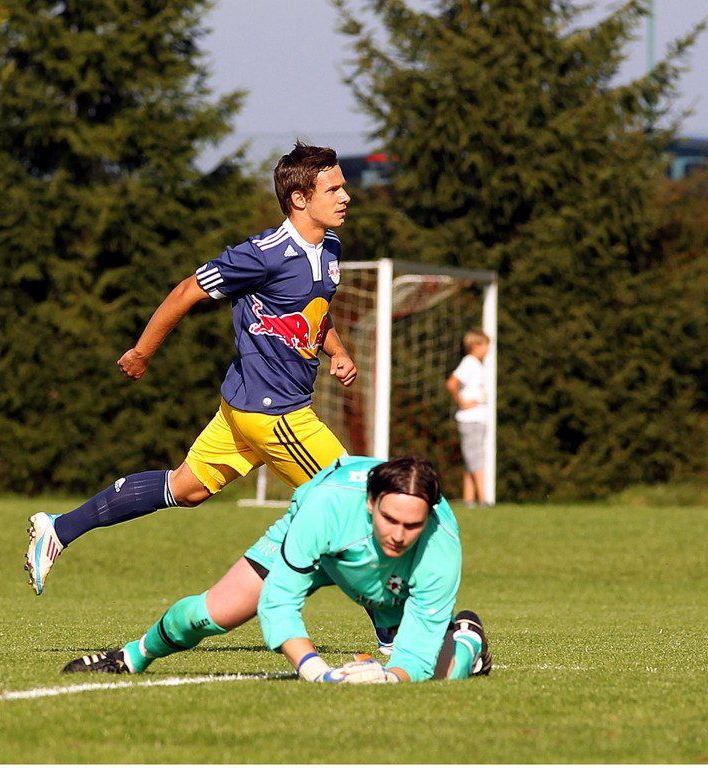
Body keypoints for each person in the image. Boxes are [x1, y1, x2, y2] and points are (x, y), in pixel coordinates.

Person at [25, 142, 357, 596]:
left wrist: (336, 350)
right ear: (299, 199)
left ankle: (59, 529)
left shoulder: (330, 246)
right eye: (333, 189)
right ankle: (394, 631)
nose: (345, 197)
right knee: (350, 502)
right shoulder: (263, 254)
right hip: (276, 412)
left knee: (186, 489)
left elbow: (312, 310)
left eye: (343, 187)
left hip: (241, 405)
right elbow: (187, 291)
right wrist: (142, 352)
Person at [61, 456, 492, 684]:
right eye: (389, 519)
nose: (399, 534)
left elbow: (415, 654)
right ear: (369, 503)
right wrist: (316, 671)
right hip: (313, 539)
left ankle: (468, 639)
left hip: (383, 575)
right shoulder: (326, 508)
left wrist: (390, 679)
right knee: (206, 615)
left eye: (412, 525)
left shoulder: (440, 545)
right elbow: (280, 600)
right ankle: (131, 657)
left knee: (439, 673)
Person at [445, 329, 491, 507]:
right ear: (475, 345)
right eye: (485, 345)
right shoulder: (469, 362)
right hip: (471, 419)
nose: (488, 349)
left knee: (471, 459)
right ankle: (483, 499)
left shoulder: (477, 365)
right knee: (476, 458)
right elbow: (452, 383)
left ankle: (469, 500)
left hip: (477, 419)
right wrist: (463, 402)